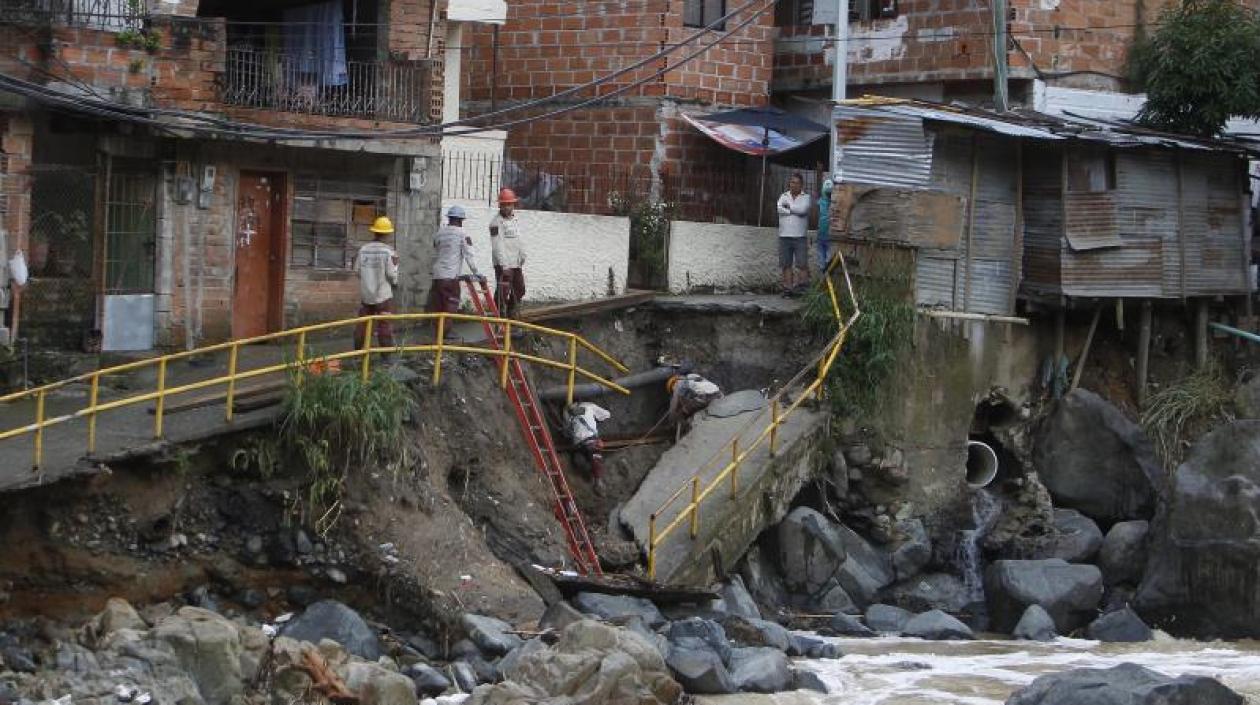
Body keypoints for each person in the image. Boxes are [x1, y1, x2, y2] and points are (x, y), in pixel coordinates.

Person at [426, 205, 481, 318]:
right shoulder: (462, 234)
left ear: (449, 218)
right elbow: (469, 255)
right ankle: (447, 332)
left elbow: (436, 248)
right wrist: (476, 272)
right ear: (461, 220)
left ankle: (438, 332)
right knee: (451, 305)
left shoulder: (440, 233)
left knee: (438, 306)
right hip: (450, 278)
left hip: (437, 277)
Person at [353, 215, 399, 350]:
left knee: (363, 324)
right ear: (388, 234)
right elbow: (391, 274)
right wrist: (395, 277)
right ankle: (386, 356)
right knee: (384, 325)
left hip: (367, 296)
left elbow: (357, 271)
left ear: (374, 231)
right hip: (383, 296)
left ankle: (358, 353)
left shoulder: (363, 249)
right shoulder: (388, 252)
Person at [490, 188, 527, 318]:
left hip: (515, 263)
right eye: (504, 204)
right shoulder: (495, 223)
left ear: (513, 205)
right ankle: (498, 315)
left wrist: (522, 255)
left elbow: (519, 240)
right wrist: (504, 265)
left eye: (509, 204)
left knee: (520, 289)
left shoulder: (515, 220)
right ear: (500, 205)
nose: (507, 207)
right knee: (503, 291)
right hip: (504, 264)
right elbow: (497, 246)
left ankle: (511, 312)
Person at [776, 173, 811, 297]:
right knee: (786, 264)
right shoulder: (783, 196)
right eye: (792, 182)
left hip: (800, 236)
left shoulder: (806, 197)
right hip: (784, 235)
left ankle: (802, 289)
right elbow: (779, 208)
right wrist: (795, 209)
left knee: (802, 264)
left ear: (801, 185)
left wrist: (789, 208)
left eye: (796, 182)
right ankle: (788, 289)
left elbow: (803, 210)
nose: (793, 185)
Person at [565, 402, 611, 493]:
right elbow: (606, 414)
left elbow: (566, 432)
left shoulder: (566, 413)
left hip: (578, 444)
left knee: (587, 455)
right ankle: (598, 482)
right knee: (596, 456)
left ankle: (585, 468)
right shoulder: (588, 406)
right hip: (590, 441)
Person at [667, 372, 723, 437]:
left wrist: (671, 421)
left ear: (673, 384)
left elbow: (674, 407)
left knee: (683, 412)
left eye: (672, 390)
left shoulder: (678, 385)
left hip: (704, 397)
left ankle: (687, 432)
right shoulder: (693, 376)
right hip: (718, 394)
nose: (673, 391)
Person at [817, 178, 833, 273]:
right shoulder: (820, 202)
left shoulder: (834, 202)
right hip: (821, 234)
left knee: (828, 260)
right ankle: (824, 277)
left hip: (830, 236)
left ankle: (827, 274)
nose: (829, 195)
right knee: (822, 260)